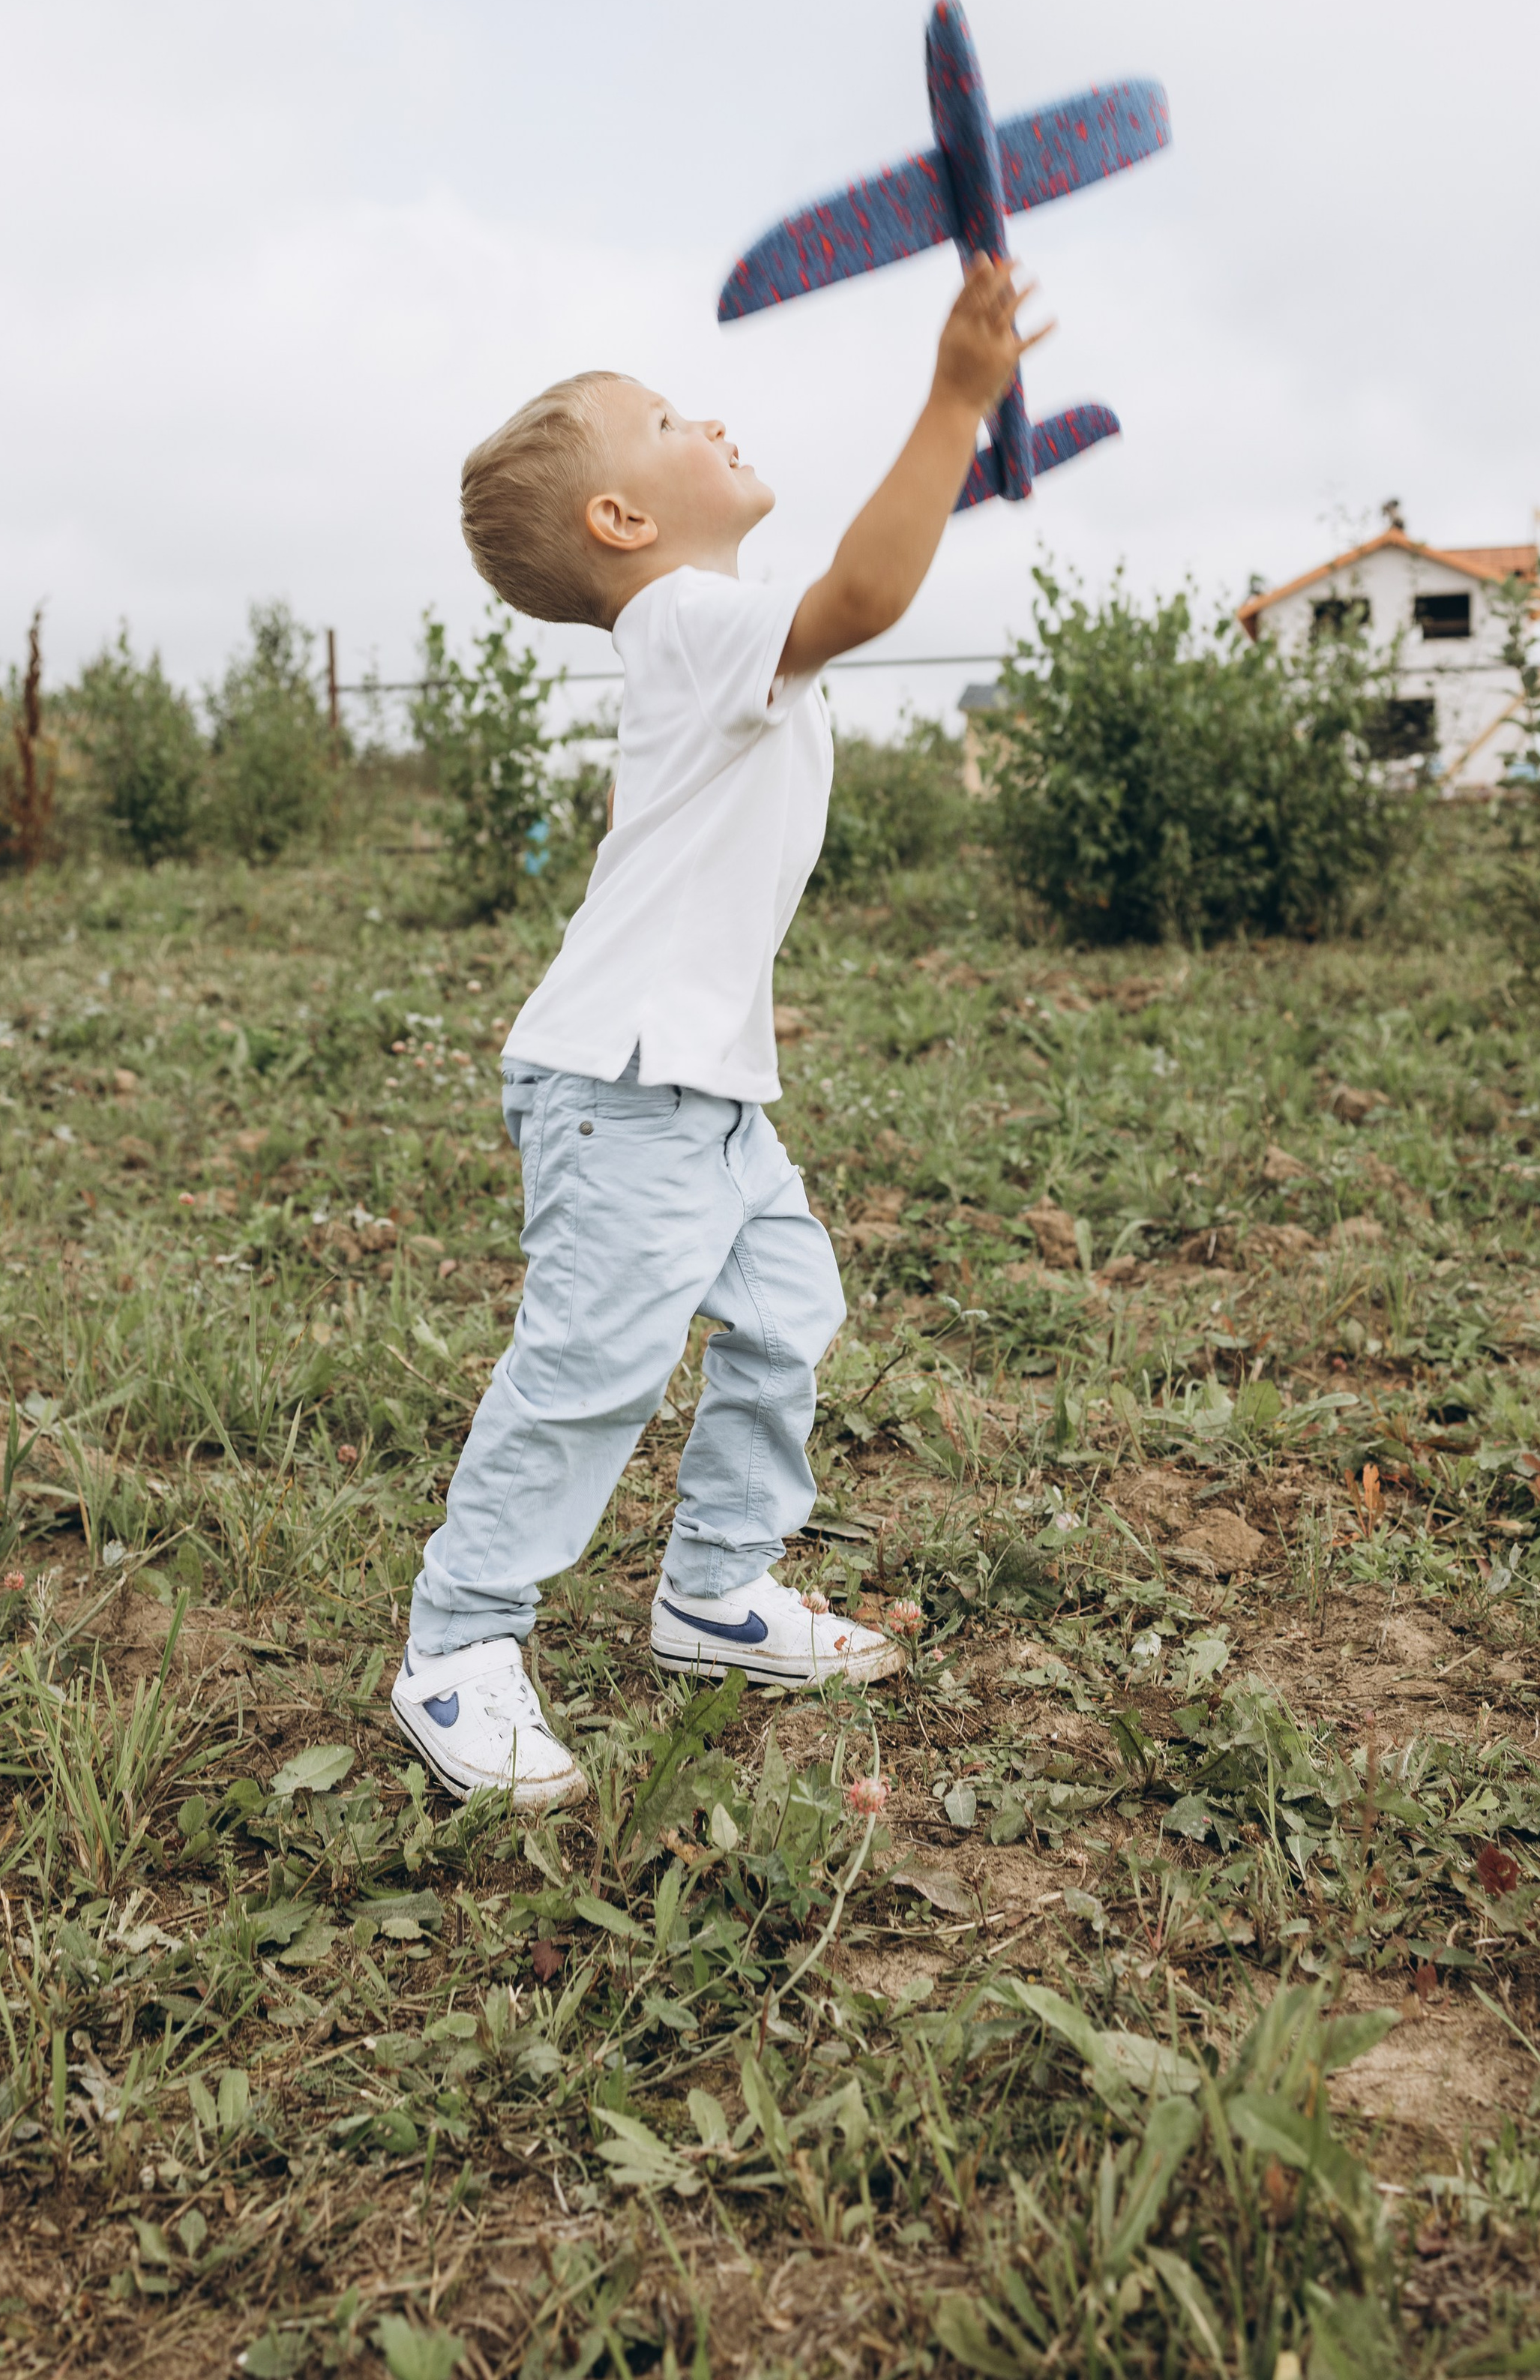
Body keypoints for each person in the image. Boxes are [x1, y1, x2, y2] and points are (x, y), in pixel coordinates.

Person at [391, 255, 1049, 1807]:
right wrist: (954, 398)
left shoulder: (711, 628)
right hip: (627, 1085)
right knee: (591, 1366)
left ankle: (712, 1591)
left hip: (699, 1090)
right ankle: (456, 1647)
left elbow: (858, 575)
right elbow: (863, 595)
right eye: (672, 420)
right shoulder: (689, 619)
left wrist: (953, 447)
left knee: (784, 1314)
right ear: (623, 522)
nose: (712, 420)